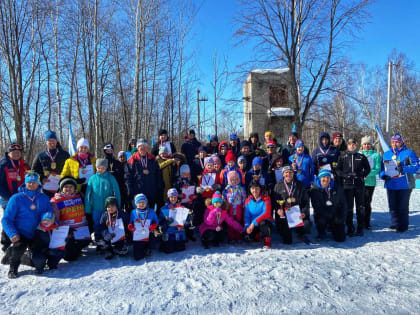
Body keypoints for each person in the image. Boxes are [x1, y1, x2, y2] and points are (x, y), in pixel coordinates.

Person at [1, 172, 52, 279]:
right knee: (19, 248)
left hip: (36, 232)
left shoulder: (44, 198)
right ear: (25, 183)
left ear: (38, 183)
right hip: (21, 232)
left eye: (34, 182)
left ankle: (27, 257)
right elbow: (6, 219)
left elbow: (49, 211)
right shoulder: (16, 198)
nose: (32, 184)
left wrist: (47, 217)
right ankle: (13, 267)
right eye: (29, 182)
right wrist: (12, 233)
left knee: (39, 264)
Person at [380, 133, 419, 233]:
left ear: (401, 142)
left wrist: (404, 168)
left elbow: (417, 167)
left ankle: (403, 225)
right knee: (392, 205)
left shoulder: (409, 153)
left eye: (397, 142)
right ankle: (395, 223)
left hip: (404, 184)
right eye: (393, 142)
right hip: (391, 183)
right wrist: (383, 175)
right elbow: (382, 169)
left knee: (402, 206)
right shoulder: (387, 154)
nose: (394, 144)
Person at [336, 137, 370, 236]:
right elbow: (338, 170)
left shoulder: (361, 156)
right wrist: (345, 175)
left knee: (360, 207)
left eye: (354, 144)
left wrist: (361, 175)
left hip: (359, 185)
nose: (352, 146)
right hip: (347, 186)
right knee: (349, 208)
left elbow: (367, 169)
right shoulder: (342, 156)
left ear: (356, 145)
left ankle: (360, 228)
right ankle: (350, 227)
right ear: (347, 145)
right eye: (350, 144)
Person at [50, 176, 90, 262]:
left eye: (71, 187)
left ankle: (77, 247)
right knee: (70, 257)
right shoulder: (56, 201)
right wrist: (65, 229)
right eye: (66, 187)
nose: (68, 189)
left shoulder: (80, 196)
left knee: (85, 243)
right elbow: (55, 220)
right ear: (61, 188)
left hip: (81, 230)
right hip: (68, 231)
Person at [85, 158, 121, 246]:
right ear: (96, 168)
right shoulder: (92, 178)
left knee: (108, 224)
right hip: (96, 207)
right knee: (97, 224)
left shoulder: (110, 178)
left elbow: (116, 191)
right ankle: (99, 242)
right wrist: (88, 208)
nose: (101, 169)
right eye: (99, 167)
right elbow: (88, 194)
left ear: (106, 168)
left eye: (103, 167)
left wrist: (118, 205)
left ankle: (110, 242)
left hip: (109, 208)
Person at [271, 166, 311, 244]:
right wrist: (278, 210)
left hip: (297, 213)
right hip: (285, 214)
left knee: (307, 224)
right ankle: (285, 230)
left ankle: (301, 233)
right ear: (283, 174)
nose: (288, 174)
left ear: (293, 173)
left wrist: (304, 212)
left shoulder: (300, 185)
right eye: (286, 172)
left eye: (290, 172)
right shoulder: (278, 186)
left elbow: (306, 201)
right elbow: (274, 201)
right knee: (287, 241)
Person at [125, 138, 163, 210]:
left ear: (147, 147)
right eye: (140, 146)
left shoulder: (152, 158)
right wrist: (130, 191)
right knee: (139, 215)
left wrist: (159, 189)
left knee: (150, 213)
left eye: (144, 146)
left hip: (151, 192)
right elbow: (128, 177)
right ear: (137, 148)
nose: (142, 148)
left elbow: (158, 175)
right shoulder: (132, 159)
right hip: (138, 192)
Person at [310, 169, 346, 242]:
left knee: (340, 239)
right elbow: (317, 207)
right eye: (323, 177)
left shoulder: (337, 188)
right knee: (321, 220)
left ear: (330, 178)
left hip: (335, 213)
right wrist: (329, 215)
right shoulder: (314, 190)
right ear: (319, 178)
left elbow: (344, 204)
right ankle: (321, 231)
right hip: (322, 214)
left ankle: (333, 228)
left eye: (328, 177)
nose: (326, 179)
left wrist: (342, 217)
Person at [32, 130, 70, 198]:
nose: (52, 142)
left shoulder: (65, 154)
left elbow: (70, 169)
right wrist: (42, 178)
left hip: (62, 187)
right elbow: (34, 171)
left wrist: (65, 179)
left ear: (56, 141)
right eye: (49, 140)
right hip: (46, 189)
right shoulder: (40, 155)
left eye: (53, 140)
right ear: (46, 142)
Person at [128, 194, 159, 261]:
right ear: (136, 204)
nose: (141, 204)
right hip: (138, 235)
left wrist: (153, 226)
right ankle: (142, 247)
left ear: (146, 203)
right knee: (138, 257)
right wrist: (131, 227)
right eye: (139, 202)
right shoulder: (133, 212)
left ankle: (148, 247)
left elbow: (156, 221)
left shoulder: (151, 211)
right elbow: (130, 222)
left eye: (143, 202)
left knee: (153, 245)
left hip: (149, 233)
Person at [360, 136, 381, 229]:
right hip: (359, 182)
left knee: (367, 203)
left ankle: (366, 222)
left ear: (371, 145)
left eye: (368, 144)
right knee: (360, 203)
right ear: (362, 145)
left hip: (370, 183)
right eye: (364, 144)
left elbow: (377, 169)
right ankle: (360, 221)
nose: (366, 146)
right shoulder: (358, 154)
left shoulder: (375, 155)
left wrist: (367, 173)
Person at [0, 142, 30, 209]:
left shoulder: (25, 165)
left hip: (24, 198)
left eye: (18, 152)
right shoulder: (3, 165)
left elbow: (31, 181)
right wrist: (9, 196)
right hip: (8, 199)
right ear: (9, 153)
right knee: (10, 218)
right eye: (14, 152)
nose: (16, 154)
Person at [159, 188, 190, 253]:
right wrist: (166, 223)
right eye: (171, 197)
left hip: (179, 232)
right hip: (169, 233)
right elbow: (160, 221)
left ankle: (179, 242)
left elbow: (186, 219)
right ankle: (164, 244)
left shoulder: (182, 207)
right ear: (168, 197)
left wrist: (187, 222)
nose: (173, 199)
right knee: (168, 250)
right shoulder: (164, 208)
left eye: (175, 197)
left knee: (180, 248)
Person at [243, 181, 273, 248]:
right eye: (252, 188)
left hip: (264, 223)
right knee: (247, 237)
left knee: (263, 223)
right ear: (250, 190)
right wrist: (247, 226)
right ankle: (257, 235)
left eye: (257, 188)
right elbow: (246, 216)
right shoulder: (248, 200)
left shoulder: (266, 199)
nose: (255, 190)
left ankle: (267, 240)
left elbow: (266, 214)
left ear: (260, 189)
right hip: (252, 225)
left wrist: (253, 223)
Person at [223, 171, 247, 242]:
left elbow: (244, 196)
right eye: (232, 180)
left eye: (236, 180)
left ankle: (238, 236)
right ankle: (231, 237)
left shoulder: (241, 188)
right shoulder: (227, 188)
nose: (234, 181)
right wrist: (225, 205)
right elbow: (224, 196)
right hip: (230, 207)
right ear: (229, 180)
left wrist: (243, 205)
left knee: (238, 220)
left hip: (238, 206)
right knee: (230, 221)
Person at [103, 143, 126, 209]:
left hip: (117, 188)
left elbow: (122, 176)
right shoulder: (102, 162)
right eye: (107, 151)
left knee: (118, 206)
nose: (109, 152)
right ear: (105, 151)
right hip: (106, 188)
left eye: (111, 151)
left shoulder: (117, 163)